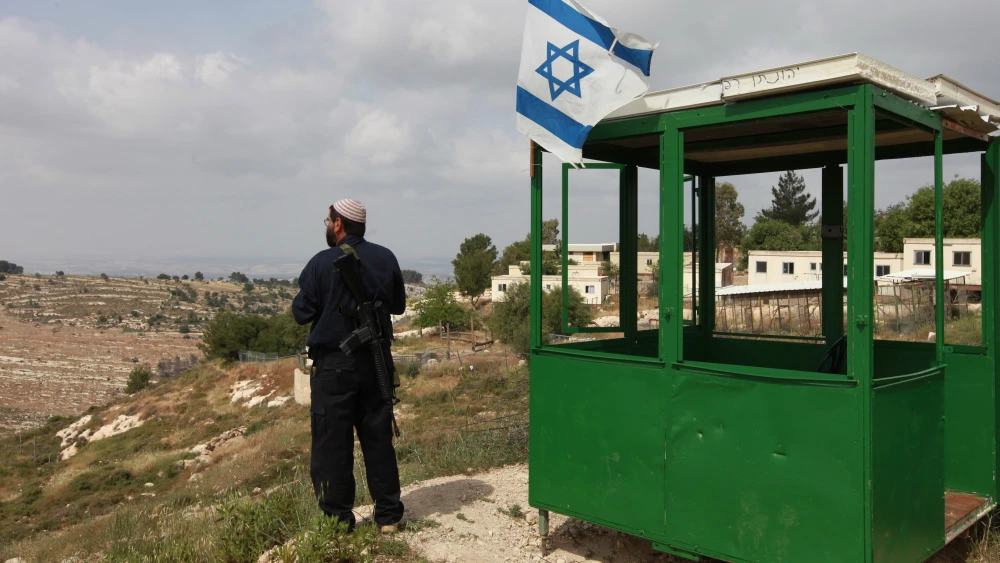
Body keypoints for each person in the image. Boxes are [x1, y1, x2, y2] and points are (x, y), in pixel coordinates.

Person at [292, 198, 406, 532]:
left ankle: (338, 523)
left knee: (331, 448)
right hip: (375, 364)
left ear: (338, 223)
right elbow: (398, 305)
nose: (327, 226)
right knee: (378, 442)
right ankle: (388, 516)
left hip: (333, 370)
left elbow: (301, 313)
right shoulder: (385, 258)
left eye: (327, 221)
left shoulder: (320, 263)